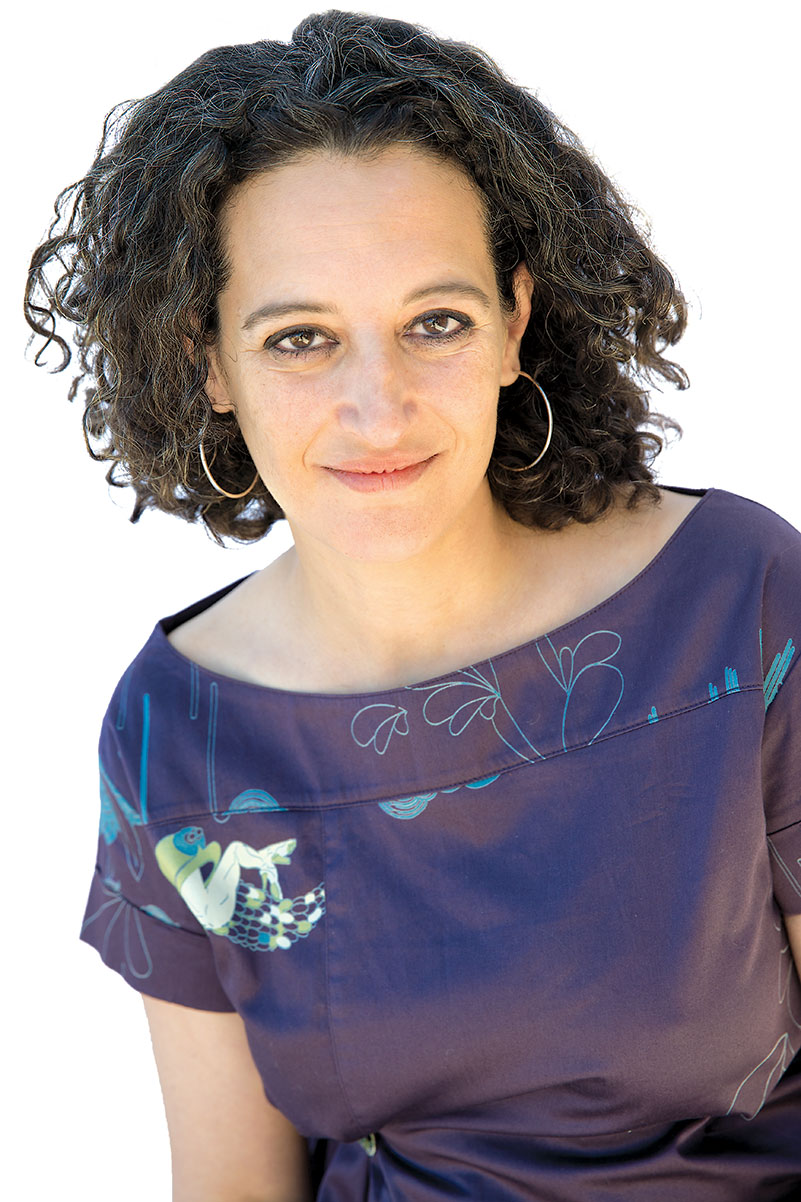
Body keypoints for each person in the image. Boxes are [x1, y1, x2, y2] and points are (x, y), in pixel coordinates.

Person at [25, 9, 801, 1200]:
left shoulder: (739, 604)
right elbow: (233, 1183)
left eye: (435, 322)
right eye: (300, 338)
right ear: (209, 361)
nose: (378, 407)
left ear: (514, 323)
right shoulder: (178, 730)